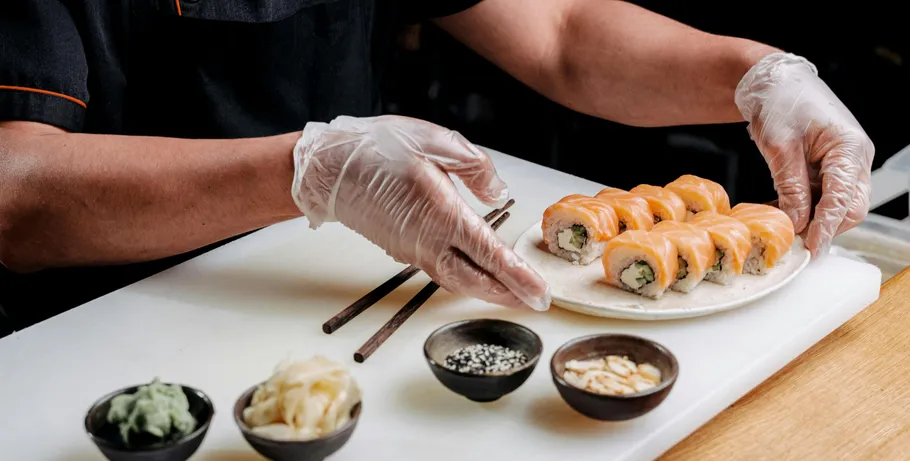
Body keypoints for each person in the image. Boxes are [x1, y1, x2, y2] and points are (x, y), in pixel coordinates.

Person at [0, 0, 873, 332]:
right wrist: (312, 170)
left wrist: (758, 74)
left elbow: (560, 33)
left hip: (340, 281)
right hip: (98, 315)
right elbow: (16, 192)